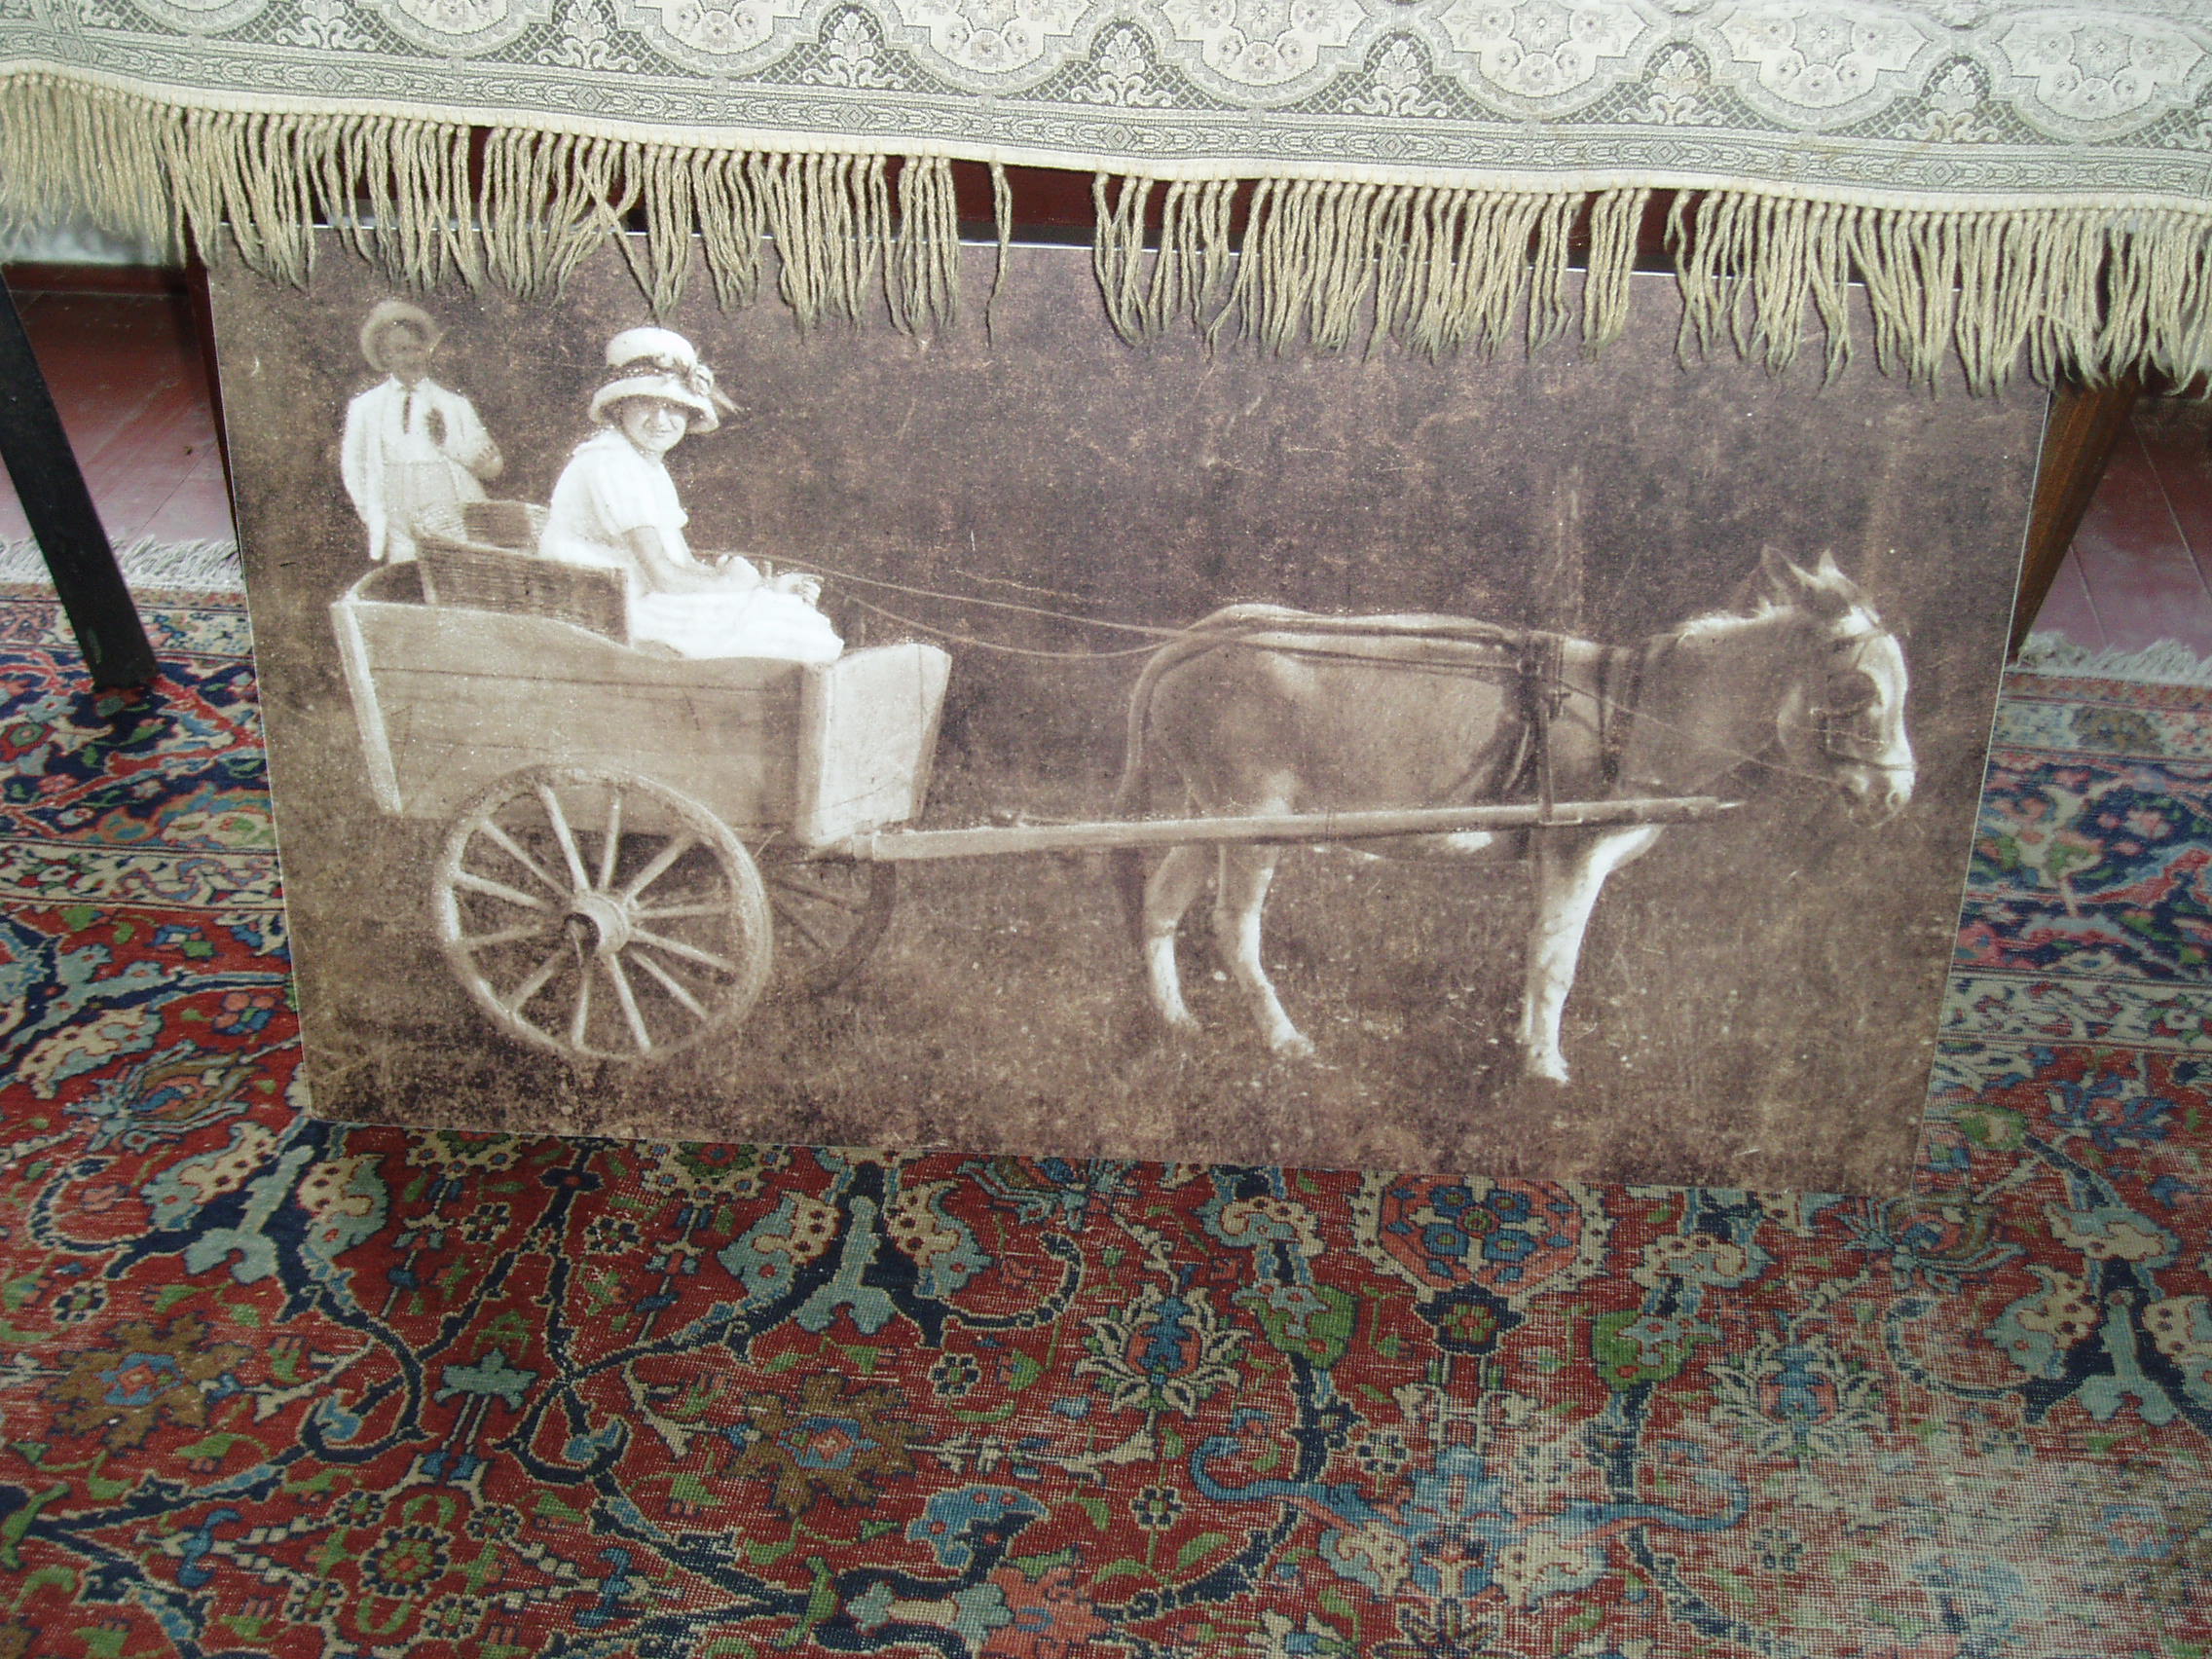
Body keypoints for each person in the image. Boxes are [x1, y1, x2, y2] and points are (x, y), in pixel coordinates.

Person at [541, 328, 841, 664]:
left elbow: (680, 565)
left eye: (674, 407)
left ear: (689, 413)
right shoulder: (610, 462)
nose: (660, 420)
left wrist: (749, 582)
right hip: (609, 612)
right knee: (779, 624)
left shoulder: (646, 465)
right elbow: (664, 577)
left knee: (784, 615)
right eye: (644, 403)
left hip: (642, 599)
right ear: (619, 407)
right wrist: (748, 586)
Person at [340, 300, 504, 564]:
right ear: (385, 356)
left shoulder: (454, 404)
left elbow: (492, 465)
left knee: (448, 568)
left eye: (418, 349)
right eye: (402, 350)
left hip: (445, 506)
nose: (413, 358)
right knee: (406, 571)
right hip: (396, 511)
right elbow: (353, 466)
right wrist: (372, 514)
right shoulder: (365, 407)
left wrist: (451, 443)